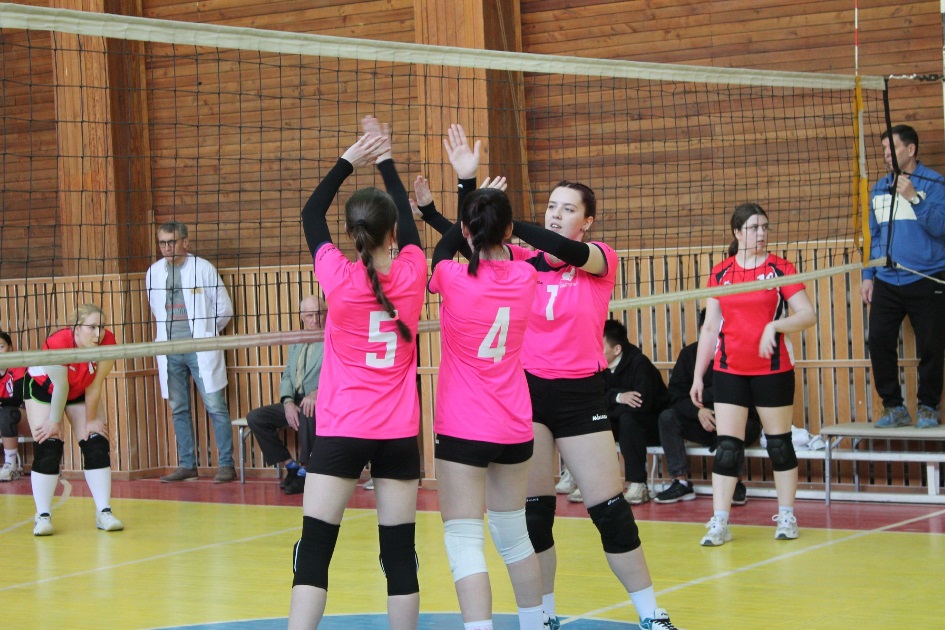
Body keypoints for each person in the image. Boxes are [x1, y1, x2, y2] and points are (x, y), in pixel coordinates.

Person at [420, 124, 679, 630]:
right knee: (534, 516)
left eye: (568, 209)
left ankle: (652, 614)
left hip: (582, 396)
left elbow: (560, 250)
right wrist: (447, 211)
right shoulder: (521, 261)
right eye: (552, 207)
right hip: (528, 396)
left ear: (587, 221)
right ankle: (542, 617)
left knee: (611, 511)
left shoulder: (599, 259)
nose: (556, 214)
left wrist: (502, 216)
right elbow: (475, 240)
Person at [288, 117, 426, 630]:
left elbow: (311, 213)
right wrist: (385, 159)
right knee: (400, 555)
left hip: (343, 428)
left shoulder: (338, 278)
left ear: (351, 234)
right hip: (398, 434)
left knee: (315, 551)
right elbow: (408, 224)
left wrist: (350, 158)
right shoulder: (414, 271)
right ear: (393, 232)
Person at [428, 185, 544, 630]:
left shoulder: (453, 277)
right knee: (514, 537)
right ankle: (536, 624)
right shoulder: (526, 276)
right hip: (514, 425)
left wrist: (465, 185)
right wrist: (473, 194)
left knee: (464, 539)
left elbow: (441, 253)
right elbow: (495, 248)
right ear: (509, 230)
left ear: (465, 229)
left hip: (462, 426)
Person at [690, 203, 816, 547]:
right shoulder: (721, 272)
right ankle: (720, 521)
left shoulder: (780, 268)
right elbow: (710, 328)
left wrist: (775, 326)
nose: (761, 234)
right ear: (737, 232)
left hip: (772, 369)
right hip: (729, 369)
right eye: (753, 228)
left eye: (764, 227)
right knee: (727, 448)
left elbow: (808, 314)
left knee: (779, 445)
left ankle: (786, 516)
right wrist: (698, 376)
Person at [861, 124, 945, 429]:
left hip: (927, 277)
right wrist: (868, 273)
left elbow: (941, 227)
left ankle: (928, 407)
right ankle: (894, 407)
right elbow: (874, 235)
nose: (886, 154)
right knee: (878, 340)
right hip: (887, 279)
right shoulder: (879, 188)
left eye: (891, 148)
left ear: (910, 149)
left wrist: (914, 199)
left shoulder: (935, 184)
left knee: (932, 346)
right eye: (884, 149)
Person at [145, 221, 237, 483]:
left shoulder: (203, 268)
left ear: (185, 241)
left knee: (215, 406)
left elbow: (224, 309)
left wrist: (206, 332)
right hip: (169, 349)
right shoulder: (153, 273)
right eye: (162, 243)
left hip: (200, 348)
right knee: (178, 408)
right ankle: (187, 464)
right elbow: (156, 309)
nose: (167, 248)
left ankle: (226, 465)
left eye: (171, 242)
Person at [24, 304, 123, 535]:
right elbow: (61, 387)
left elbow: (95, 385)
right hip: (44, 390)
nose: (98, 334)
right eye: (92, 327)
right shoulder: (58, 343)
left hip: (79, 390)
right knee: (49, 443)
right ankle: (42, 516)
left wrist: (90, 420)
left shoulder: (108, 342)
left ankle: (104, 512)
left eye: (102, 327)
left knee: (96, 441)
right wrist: (54, 421)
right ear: (77, 328)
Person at [653, 310, 762, 505]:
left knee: (737, 425)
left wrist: (711, 405)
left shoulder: (739, 353)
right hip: (701, 422)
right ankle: (680, 482)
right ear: (703, 329)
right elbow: (675, 396)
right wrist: (698, 412)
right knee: (667, 417)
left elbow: (747, 394)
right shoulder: (689, 355)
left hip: (737, 420)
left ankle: (735, 483)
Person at [246, 295, 325, 495]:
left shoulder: (332, 339)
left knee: (308, 410)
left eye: (319, 314)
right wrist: (288, 402)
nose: (315, 320)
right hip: (296, 399)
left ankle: (306, 471)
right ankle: (290, 466)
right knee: (255, 418)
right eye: (310, 315)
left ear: (326, 314)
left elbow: (339, 374)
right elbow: (288, 375)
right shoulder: (296, 341)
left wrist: (317, 392)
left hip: (321, 399)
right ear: (302, 317)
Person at [601, 319, 669, 506]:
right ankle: (592, 482)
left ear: (617, 349)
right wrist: (618, 397)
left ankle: (638, 484)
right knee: (594, 419)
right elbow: (593, 399)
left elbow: (641, 405)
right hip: (622, 423)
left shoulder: (639, 364)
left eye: (600, 347)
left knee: (628, 419)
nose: (595, 351)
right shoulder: (597, 365)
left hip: (653, 427)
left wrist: (610, 403)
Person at [0, 331, 27, 482]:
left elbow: (17, 399)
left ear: (10, 347)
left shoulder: (17, 366)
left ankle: (11, 466)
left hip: (25, 416)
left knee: (6, 413)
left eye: (1, 346)